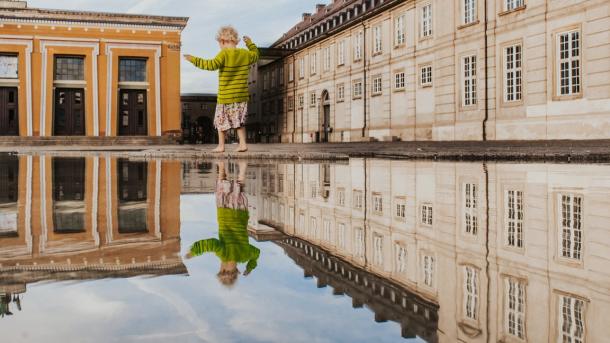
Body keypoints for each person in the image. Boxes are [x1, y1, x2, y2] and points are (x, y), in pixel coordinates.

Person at [184, 26, 259, 153]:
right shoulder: (245, 54)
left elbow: (210, 65)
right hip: (241, 96)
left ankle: (221, 146)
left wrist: (193, 60)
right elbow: (256, 55)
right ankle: (243, 144)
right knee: (239, 122)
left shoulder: (224, 54)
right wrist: (250, 43)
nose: (220, 46)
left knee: (221, 121)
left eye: (219, 43)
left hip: (226, 96)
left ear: (223, 41)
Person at [185, 161, 259, 288]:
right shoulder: (224, 255)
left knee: (238, 189)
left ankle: (238, 168)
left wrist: (250, 266)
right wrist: (194, 251)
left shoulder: (244, 256)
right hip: (225, 214)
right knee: (222, 189)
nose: (223, 267)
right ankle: (222, 166)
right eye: (225, 271)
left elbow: (257, 253)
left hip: (240, 214)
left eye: (221, 270)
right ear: (233, 270)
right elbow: (210, 244)